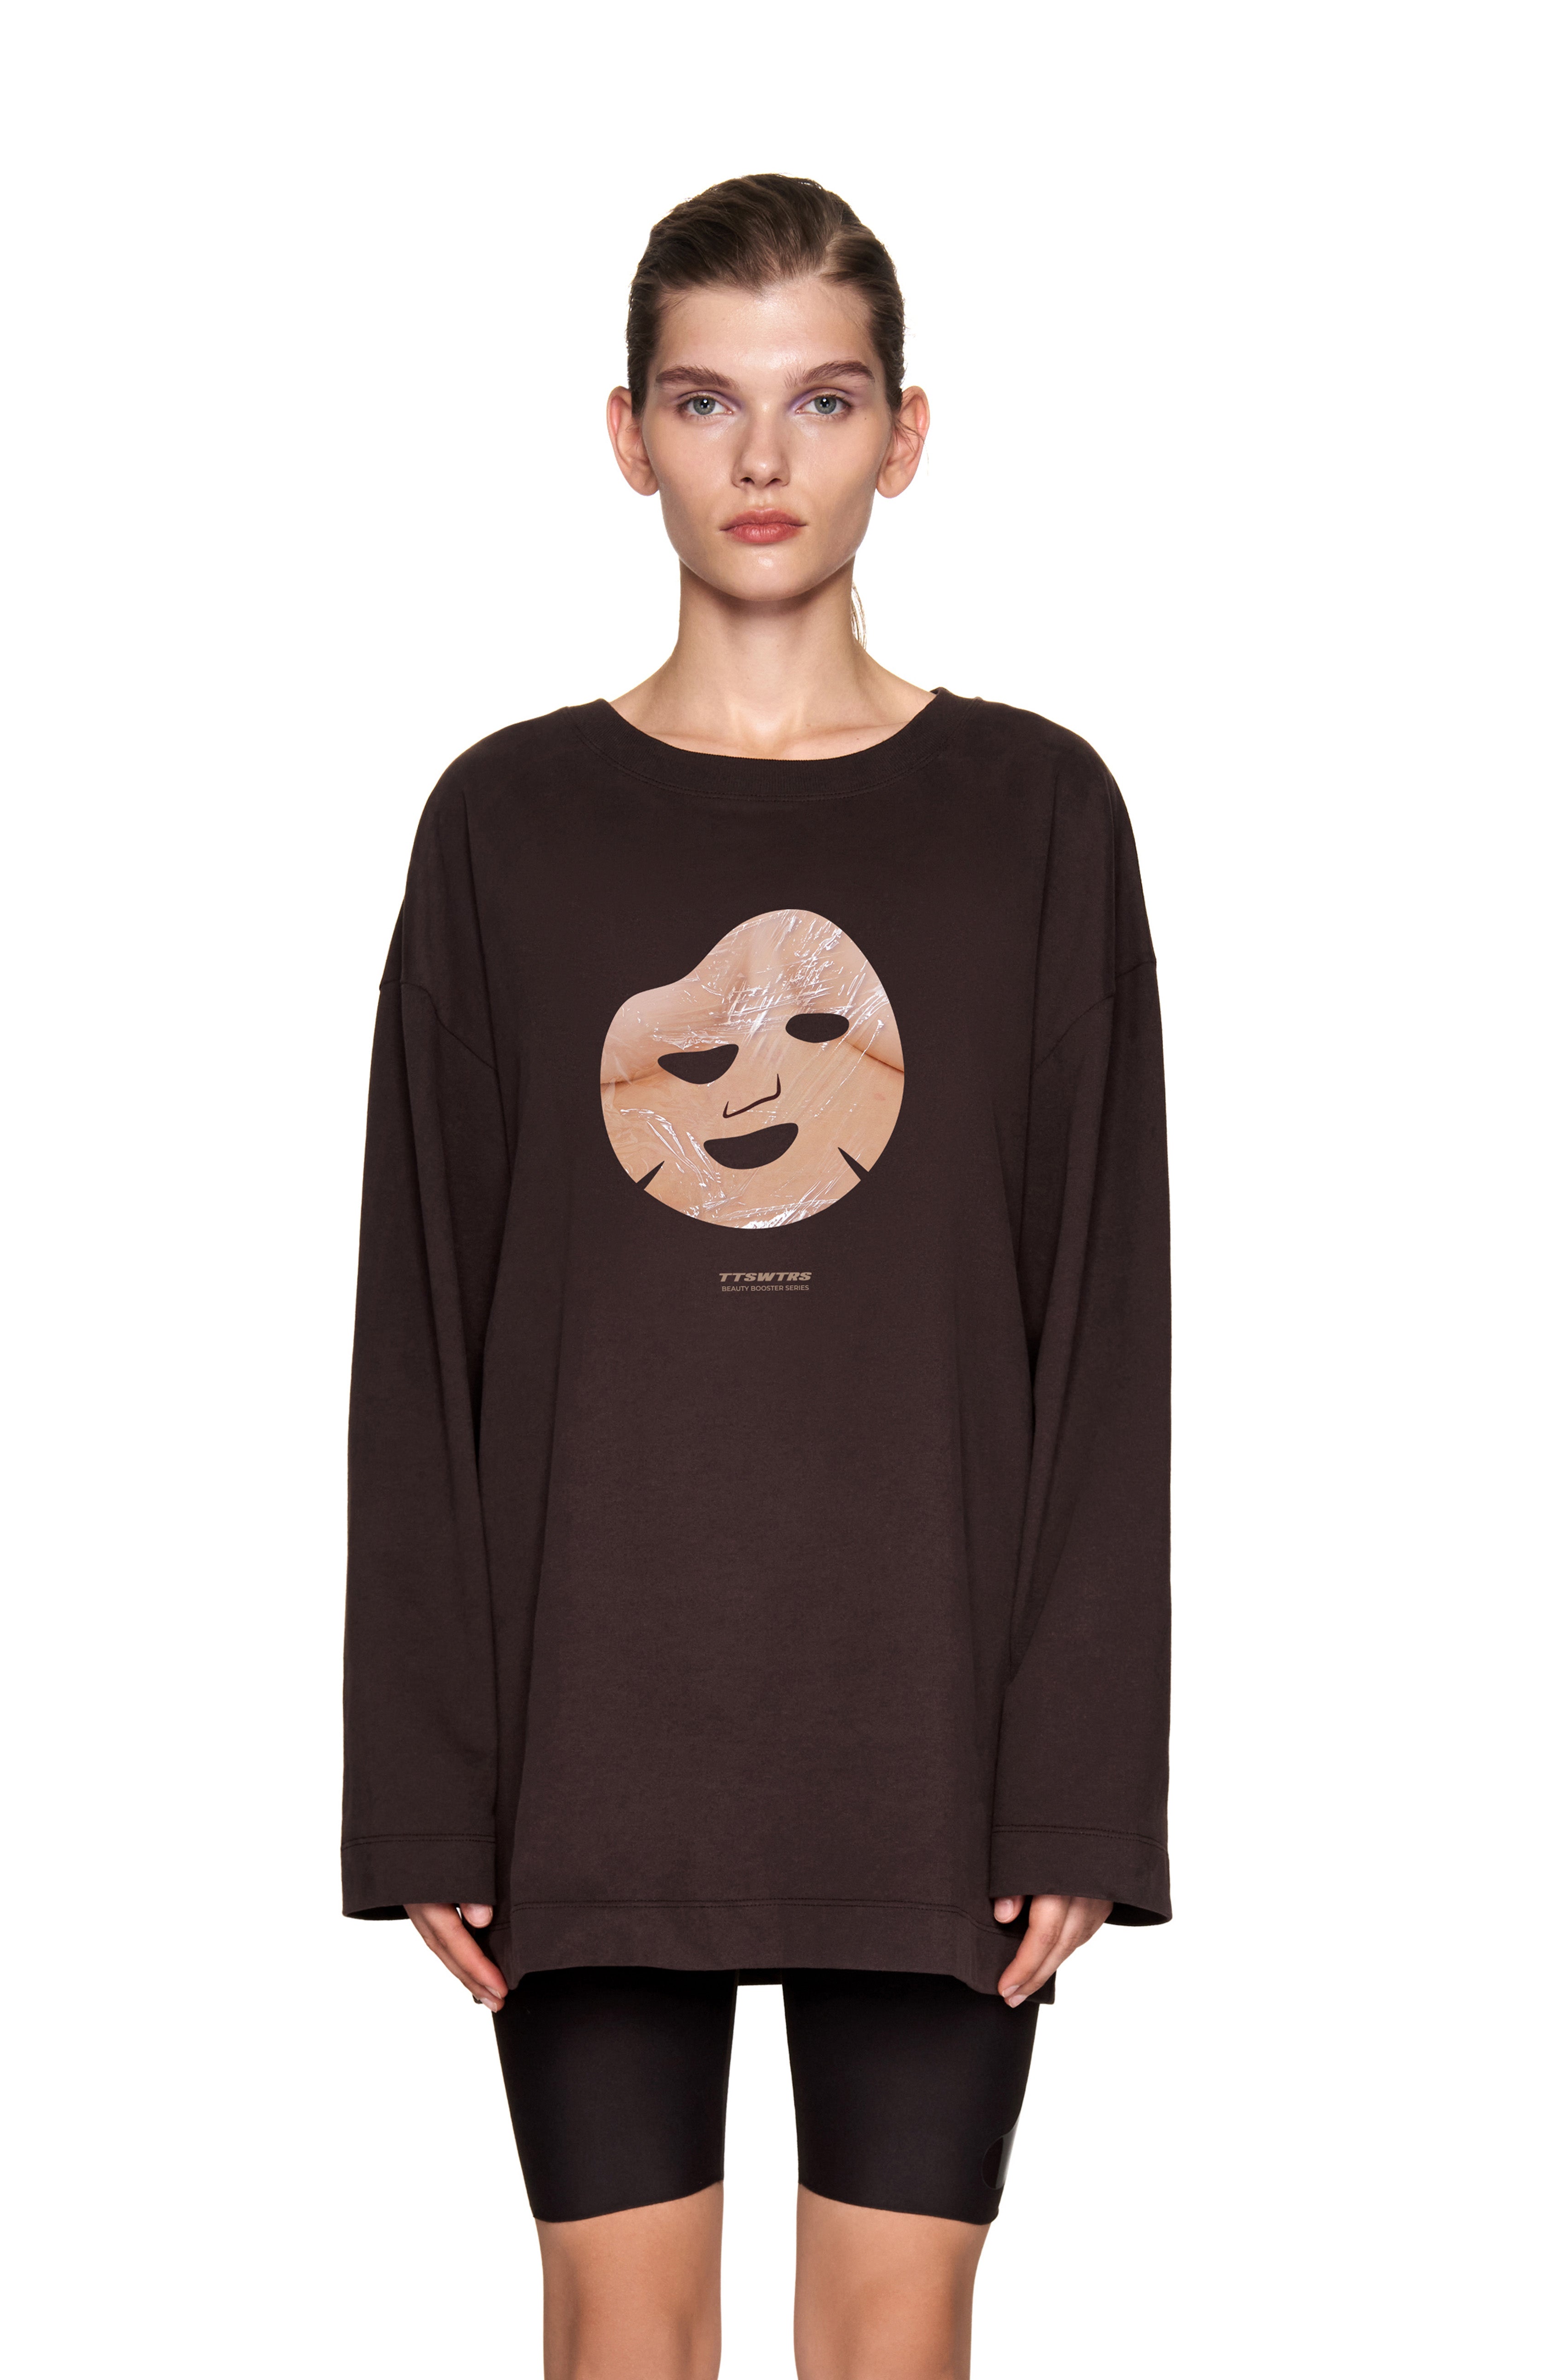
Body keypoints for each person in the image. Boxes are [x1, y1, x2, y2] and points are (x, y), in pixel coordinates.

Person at [342, 173, 1171, 2380]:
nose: (767, 456)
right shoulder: (507, 826)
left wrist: (1080, 1782)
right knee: (620, 2343)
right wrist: (426, 1777)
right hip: (588, 1735)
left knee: (898, 2345)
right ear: (629, 435)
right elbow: (420, 1322)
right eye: (709, 400)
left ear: (909, 431)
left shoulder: (1038, 816)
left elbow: (1104, 1321)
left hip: (936, 1736)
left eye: (824, 398)